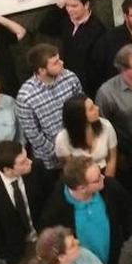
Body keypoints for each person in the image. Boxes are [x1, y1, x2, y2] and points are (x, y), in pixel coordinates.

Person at [16, 44, 83, 174]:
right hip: (51, 163)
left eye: (59, 59)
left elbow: (81, 108)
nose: (62, 63)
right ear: (41, 70)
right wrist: (61, 153)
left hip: (79, 149)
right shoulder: (26, 97)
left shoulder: (70, 77)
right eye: (55, 62)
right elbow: (34, 135)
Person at [37, 0, 107, 96]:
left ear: (86, 5)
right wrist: (58, 7)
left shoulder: (98, 30)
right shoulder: (66, 19)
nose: (69, 10)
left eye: (74, 6)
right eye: (67, 5)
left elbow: (96, 66)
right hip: (65, 80)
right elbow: (44, 28)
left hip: (85, 86)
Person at [54, 94, 118, 175]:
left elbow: (112, 159)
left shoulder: (106, 125)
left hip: (104, 172)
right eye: (91, 109)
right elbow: (70, 170)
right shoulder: (62, 139)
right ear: (79, 116)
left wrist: (107, 182)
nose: (97, 108)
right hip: (80, 177)